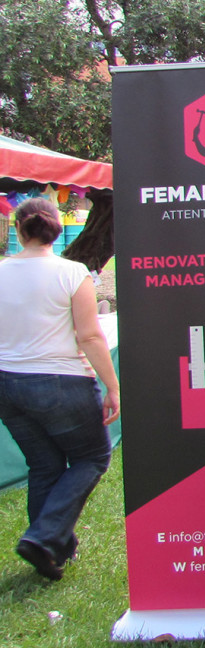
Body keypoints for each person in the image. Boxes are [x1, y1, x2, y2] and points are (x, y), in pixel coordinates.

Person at [0, 198, 120, 580]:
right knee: (92, 457)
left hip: (8, 384)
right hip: (61, 381)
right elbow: (89, 335)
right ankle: (45, 536)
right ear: (55, 229)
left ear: (19, 230)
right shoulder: (73, 273)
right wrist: (112, 385)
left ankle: (52, 551)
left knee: (45, 464)